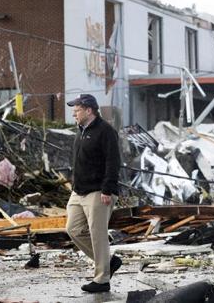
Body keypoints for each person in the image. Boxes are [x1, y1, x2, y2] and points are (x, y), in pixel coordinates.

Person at [65, 94, 122, 293]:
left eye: (77, 109)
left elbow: (113, 162)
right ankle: (110, 262)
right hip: (78, 191)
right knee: (73, 229)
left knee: (98, 236)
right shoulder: (80, 130)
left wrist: (107, 188)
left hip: (99, 192)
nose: (74, 112)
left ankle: (102, 280)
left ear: (89, 110)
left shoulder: (106, 131)